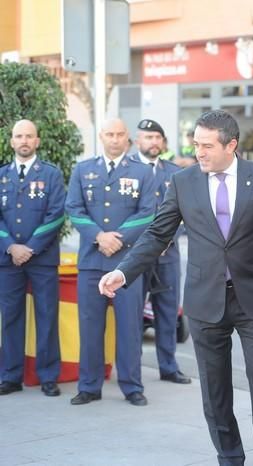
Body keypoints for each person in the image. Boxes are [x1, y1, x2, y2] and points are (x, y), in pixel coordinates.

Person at [98, 110, 253, 466]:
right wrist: (124, 273)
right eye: (196, 144)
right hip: (205, 300)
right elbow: (158, 233)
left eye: (206, 145)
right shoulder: (183, 182)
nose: (198, 152)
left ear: (231, 145)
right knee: (215, 387)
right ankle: (229, 455)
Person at [65, 118, 156, 407]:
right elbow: (73, 208)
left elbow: (148, 212)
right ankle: (89, 386)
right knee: (90, 326)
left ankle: (132, 386)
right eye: (109, 134)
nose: (114, 139)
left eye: (119, 134)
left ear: (127, 137)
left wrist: (119, 239)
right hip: (92, 262)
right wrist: (99, 236)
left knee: (130, 327)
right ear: (101, 137)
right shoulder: (83, 169)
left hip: (127, 264)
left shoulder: (142, 172)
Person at [0, 119, 66, 397]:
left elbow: (57, 215)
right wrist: (11, 246)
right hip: (8, 260)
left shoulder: (51, 174)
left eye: (29, 136)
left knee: (47, 316)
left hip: (42, 259)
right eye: (19, 136)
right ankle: (10, 376)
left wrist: (30, 247)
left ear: (37, 141)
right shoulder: (2, 174)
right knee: (11, 318)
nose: (24, 141)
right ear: (12, 141)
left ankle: (48, 376)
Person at [129, 118, 190, 384]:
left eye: (157, 138)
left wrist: (168, 239)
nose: (153, 142)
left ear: (163, 142)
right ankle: (132, 369)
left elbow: (185, 214)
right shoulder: (126, 169)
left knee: (167, 312)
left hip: (168, 254)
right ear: (137, 141)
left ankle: (168, 367)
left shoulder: (175, 173)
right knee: (131, 313)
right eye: (147, 137)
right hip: (136, 255)